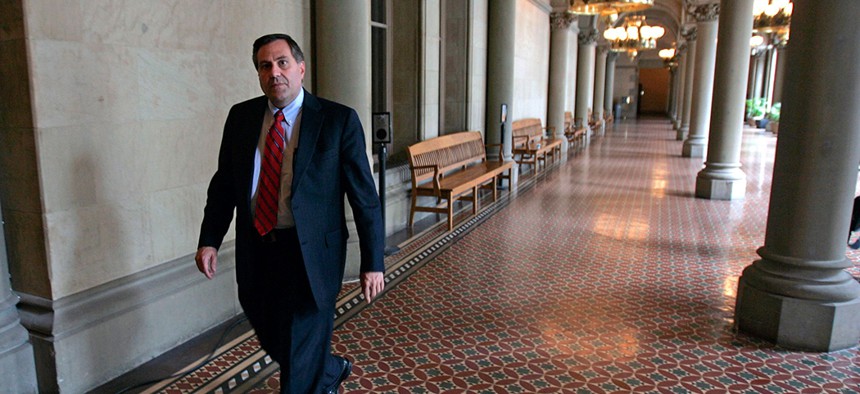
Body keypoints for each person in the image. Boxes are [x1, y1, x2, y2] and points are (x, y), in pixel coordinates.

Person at [195, 33, 385, 394]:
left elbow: (364, 196)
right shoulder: (241, 117)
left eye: (282, 62)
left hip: (313, 254)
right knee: (271, 327)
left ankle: (313, 376)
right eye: (265, 66)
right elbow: (224, 186)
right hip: (259, 248)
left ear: (300, 68)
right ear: (258, 74)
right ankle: (329, 368)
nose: (275, 72)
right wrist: (209, 240)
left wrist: (372, 260)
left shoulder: (337, 120)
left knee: (298, 357)